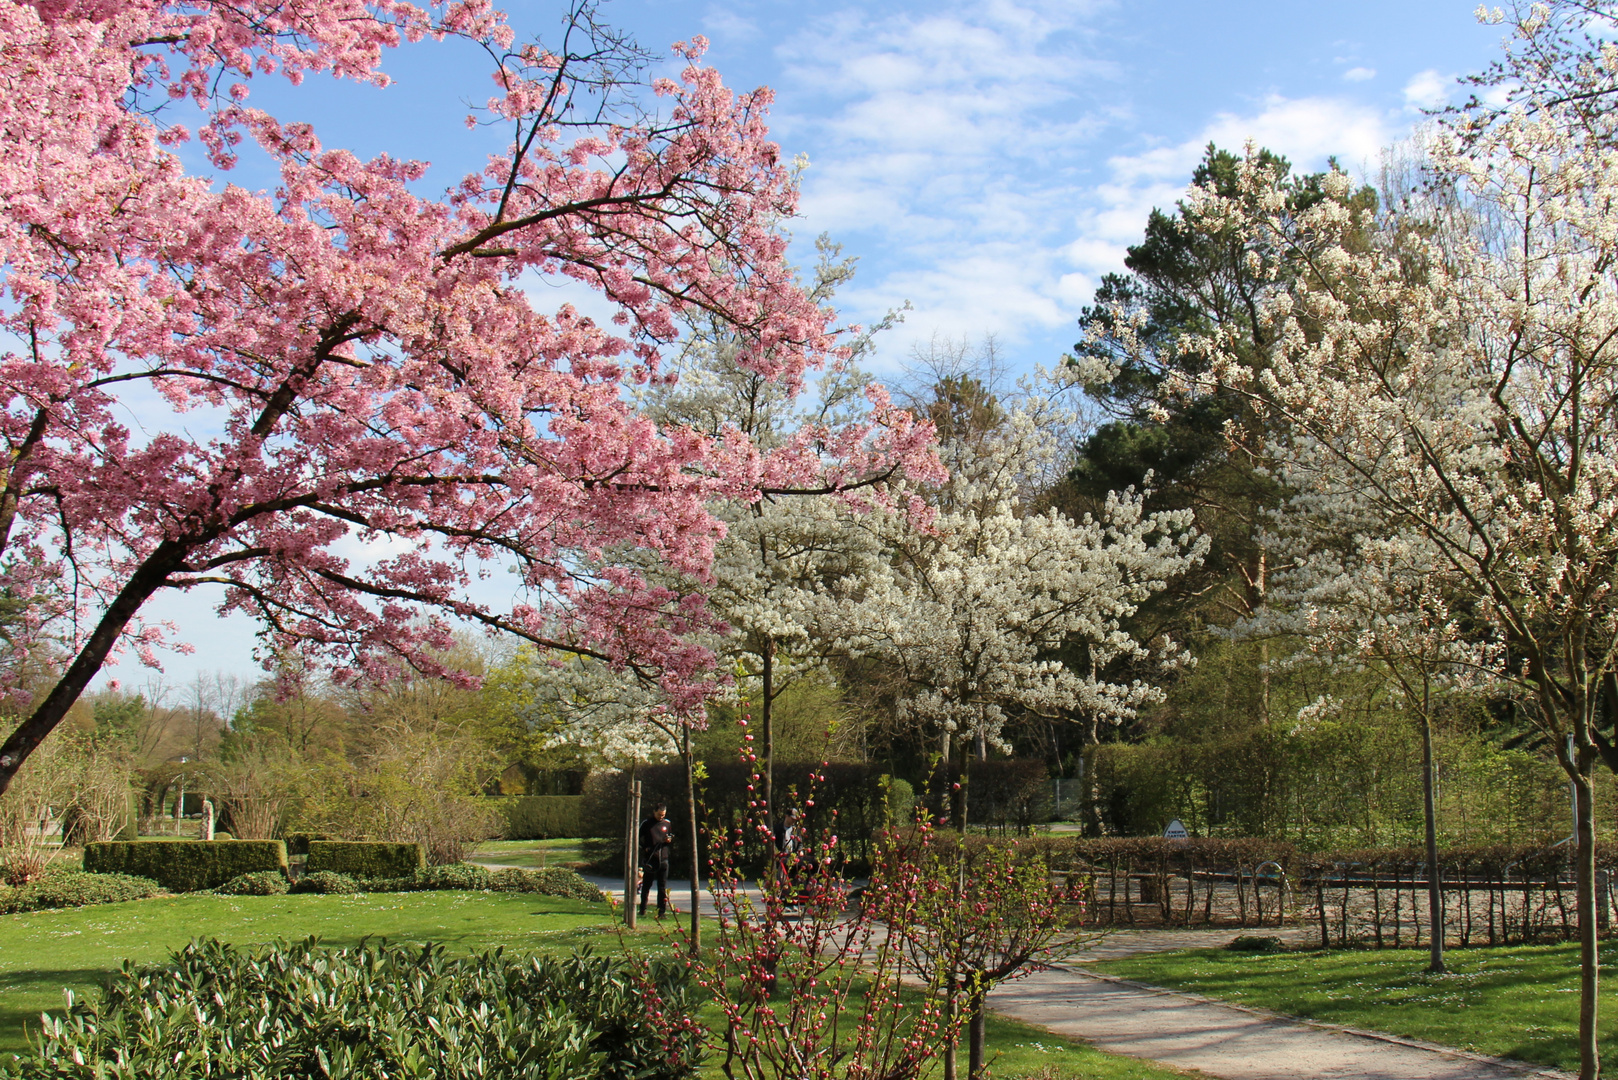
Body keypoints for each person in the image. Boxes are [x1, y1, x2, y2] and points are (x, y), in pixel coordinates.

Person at [638, 802, 676, 918]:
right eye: (659, 814)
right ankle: (643, 909)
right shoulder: (646, 823)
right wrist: (645, 849)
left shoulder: (667, 823)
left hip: (663, 859)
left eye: (663, 815)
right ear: (654, 812)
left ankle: (661, 912)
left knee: (662, 886)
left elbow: (670, 836)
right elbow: (637, 838)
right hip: (651, 859)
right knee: (646, 886)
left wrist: (669, 840)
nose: (661, 817)